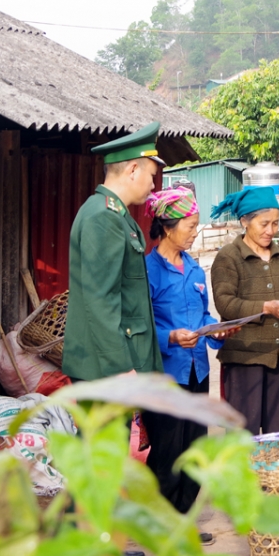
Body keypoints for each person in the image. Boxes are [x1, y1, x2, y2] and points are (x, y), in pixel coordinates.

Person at [143, 186, 233, 545]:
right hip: (166, 375)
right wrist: (171, 337)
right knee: (167, 451)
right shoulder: (147, 270)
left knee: (195, 449)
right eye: (190, 225)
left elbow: (202, 316)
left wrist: (217, 333)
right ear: (167, 227)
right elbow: (141, 324)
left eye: (196, 225)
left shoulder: (195, 268)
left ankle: (183, 521)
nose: (195, 231)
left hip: (198, 370)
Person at [63, 121, 164, 383]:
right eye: (151, 175)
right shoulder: (103, 217)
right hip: (105, 370)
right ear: (132, 170)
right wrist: (120, 366)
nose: (153, 185)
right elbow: (101, 301)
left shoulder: (116, 214)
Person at [210, 187, 279, 434]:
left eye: (276, 223)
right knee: (242, 436)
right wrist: (266, 307)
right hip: (245, 358)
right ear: (245, 221)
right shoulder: (228, 257)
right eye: (264, 223)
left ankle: (275, 475)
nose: (271, 230)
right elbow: (225, 303)